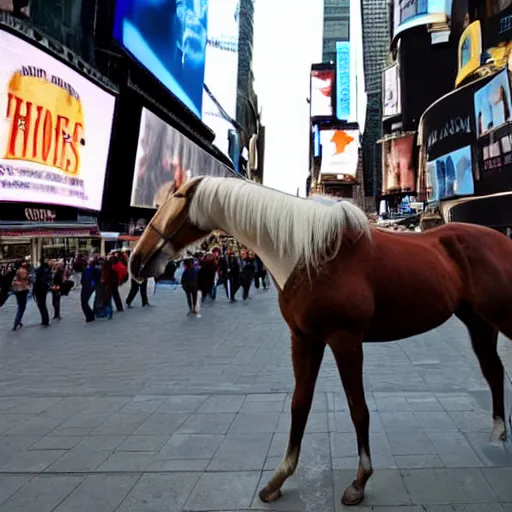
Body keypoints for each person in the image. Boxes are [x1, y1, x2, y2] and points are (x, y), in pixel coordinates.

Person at [81, 258, 101, 323]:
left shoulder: (90, 269)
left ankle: (90, 316)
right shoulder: (93, 269)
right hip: (89, 286)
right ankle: (90, 316)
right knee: (85, 302)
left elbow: (85, 278)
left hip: (88, 286)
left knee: (84, 302)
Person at [33, 260, 52, 327]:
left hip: (39, 289)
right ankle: (45, 320)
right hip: (43, 290)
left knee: (41, 305)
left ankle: (45, 320)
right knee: (43, 305)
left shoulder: (38, 271)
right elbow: (49, 279)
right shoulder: (47, 270)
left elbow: (35, 280)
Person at [12, 262, 30, 331]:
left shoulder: (17, 271)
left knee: (20, 306)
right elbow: (25, 280)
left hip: (17, 291)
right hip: (23, 290)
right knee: (22, 307)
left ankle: (18, 321)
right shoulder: (25, 271)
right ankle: (16, 322)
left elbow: (13, 282)